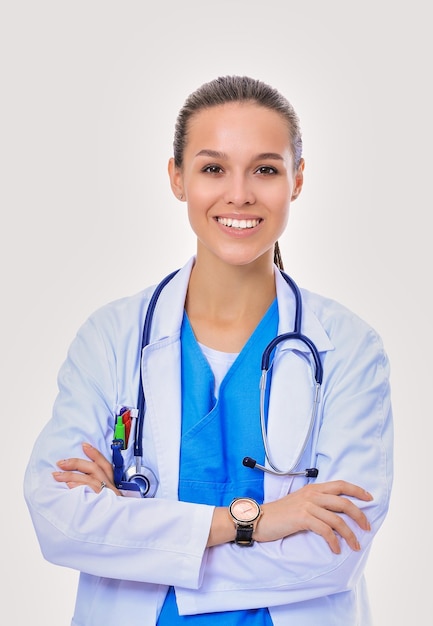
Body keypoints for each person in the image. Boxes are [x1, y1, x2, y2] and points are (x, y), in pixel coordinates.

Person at [24, 75, 393, 626]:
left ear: (297, 180)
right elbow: (58, 519)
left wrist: (139, 536)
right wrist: (253, 522)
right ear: (177, 177)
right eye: (213, 168)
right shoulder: (112, 338)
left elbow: (332, 556)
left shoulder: (349, 349)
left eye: (265, 169)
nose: (239, 194)